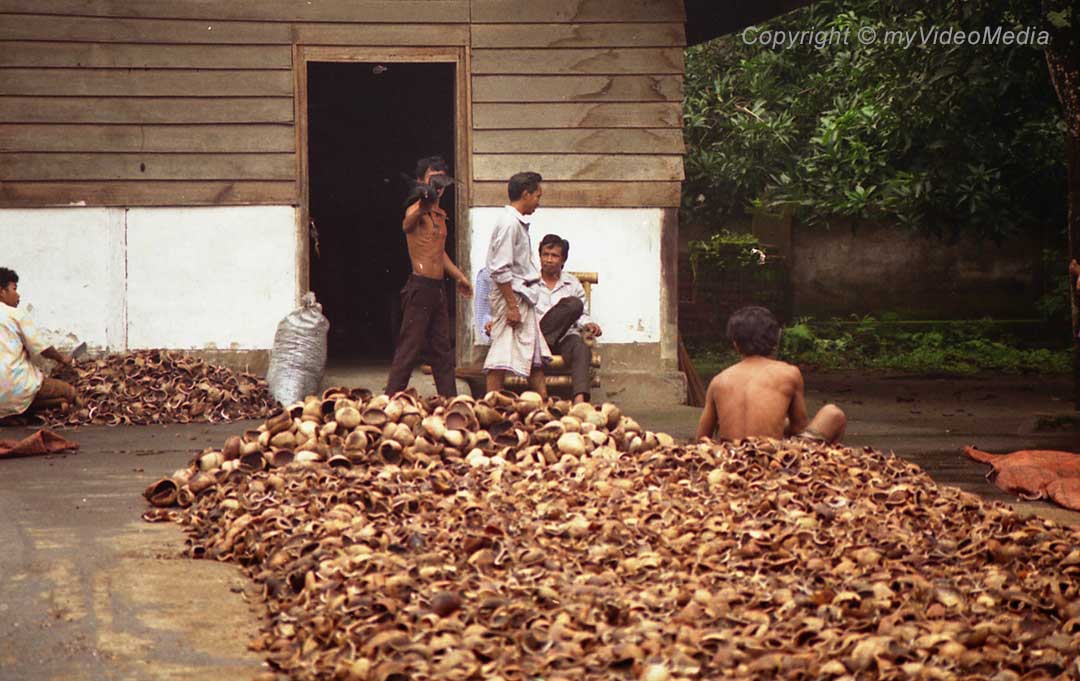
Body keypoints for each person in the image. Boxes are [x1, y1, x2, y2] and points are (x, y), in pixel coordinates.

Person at [385, 156, 472, 397]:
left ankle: (450, 401)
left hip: (438, 289)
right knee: (410, 347)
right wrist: (423, 203)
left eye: (441, 180)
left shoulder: (441, 215)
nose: (438, 186)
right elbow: (406, 225)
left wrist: (459, 277)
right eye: (433, 179)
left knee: (442, 349)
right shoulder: (417, 210)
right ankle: (391, 398)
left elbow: (439, 252)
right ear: (420, 181)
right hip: (420, 287)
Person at [695, 306, 846, 442]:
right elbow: (800, 428)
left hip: (730, 459)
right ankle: (815, 470)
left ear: (735, 344)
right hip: (771, 459)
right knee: (832, 414)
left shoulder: (719, 380)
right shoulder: (789, 373)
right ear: (775, 341)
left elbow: (702, 438)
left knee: (783, 423)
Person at [483, 171, 550, 396]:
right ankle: (489, 404)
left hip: (522, 294)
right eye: (537, 196)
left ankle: (544, 404)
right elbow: (500, 269)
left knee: (533, 354)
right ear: (525, 194)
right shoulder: (509, 223)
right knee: (501, 356)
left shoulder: (516, 222)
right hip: (511, 296)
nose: (538, 203)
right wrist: (512, 305)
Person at [0, 267, 78, 419]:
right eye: (14, 289)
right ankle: (60, 402)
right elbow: (42, 347)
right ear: (1, 292)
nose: (18, 295)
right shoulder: (15, 314)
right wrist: (62, 359)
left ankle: (12, 414)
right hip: (16, 385)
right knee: (69, 392)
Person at [534, 233, 602, 404]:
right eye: (545, 255)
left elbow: (583, 315)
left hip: (565, 337)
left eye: (554, 256)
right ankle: (546, 342)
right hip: (538, 337)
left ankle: (580, 402)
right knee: (573, 304)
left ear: (563, 260)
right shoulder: (530, 282)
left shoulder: (572, 284)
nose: (549, 260)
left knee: (580, 346)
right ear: (540, 256)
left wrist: (590, 324)